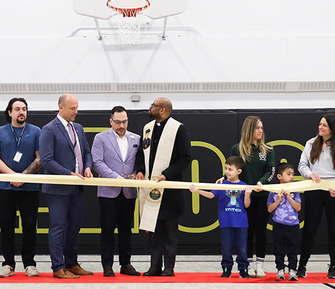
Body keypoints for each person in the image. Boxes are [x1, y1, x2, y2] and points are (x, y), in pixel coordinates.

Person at [134, 97, 192, 277]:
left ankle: (169, 267)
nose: (149, 108)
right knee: (153, 230)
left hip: (169, 190)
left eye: (153, 106)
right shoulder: (147, 128)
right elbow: (141, 154)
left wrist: (167, 173)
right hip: (151, 188)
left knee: (169, 232)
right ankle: (154, 266)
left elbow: (185, 158)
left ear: (162, 110)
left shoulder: (179, 129)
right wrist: (140, 170)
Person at [40, 94, 94, 279]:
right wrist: (68, 174)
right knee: (58, 227)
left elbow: (86, 151)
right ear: (61, 108)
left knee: (74, 227)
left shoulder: (78, 128)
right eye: (73, 108)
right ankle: (58, 267)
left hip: (76, 188)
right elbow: (47, 161)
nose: (76, 112)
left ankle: (72, 263)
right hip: (58, 188)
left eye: (77, 108)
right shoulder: (48, 129)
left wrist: (87, 167)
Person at [0, 98, 42, 278]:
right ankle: (8, 264)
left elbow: (40, 158)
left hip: (30, 188)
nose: (22, 112)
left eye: (24, 109)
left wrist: (24, 176)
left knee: (29, 227)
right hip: (6, 187)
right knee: (6, 226)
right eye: (17, 109)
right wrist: (12, 175)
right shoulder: (0, 132)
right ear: (10, 112)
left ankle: (29, 264)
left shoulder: (36, 131)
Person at [297, 113, 335, 279]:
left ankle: (333, 266)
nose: (321, 127)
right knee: (309, 228)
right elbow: (302, 165)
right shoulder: (310, 143)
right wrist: (310, 174)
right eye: (320, 124)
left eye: (324, 125)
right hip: (314, 190)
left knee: (334, 229)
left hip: (334, 192)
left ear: (332, 129)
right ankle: (302, 265)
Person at [91, 106, 142, 277]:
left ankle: (126, 264)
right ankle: (107, 265)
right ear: (111, 121)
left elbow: (139, 163)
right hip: (108, 191)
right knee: (107, 229)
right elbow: (97, 162)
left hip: (129, 191)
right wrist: (116, 178)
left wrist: (135, 175)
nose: (122, 125)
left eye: (125, 122)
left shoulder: (137, 138)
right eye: (118, 122)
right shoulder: (100, 138)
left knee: (126, 229)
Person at [190, 155, 254, 278]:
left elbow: (247, 205)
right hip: (226, 222)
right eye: (226, 169)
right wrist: (197, 191)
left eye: (230, 169)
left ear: (239, 171)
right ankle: (226, 268)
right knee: (226, 248)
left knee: (242, 248)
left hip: (241, 223)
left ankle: (243, 269)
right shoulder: (221, 184)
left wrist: (247, 194)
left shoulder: (244, 185)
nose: (227, 172)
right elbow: (211, 195)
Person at [227, 116, 275, 278]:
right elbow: (231, 169)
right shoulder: (237, 149)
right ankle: (245, 265)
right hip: (242, 197)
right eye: (257, 128)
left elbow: (271, 170)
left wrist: (261, 182)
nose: (260, 131)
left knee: (260, 230)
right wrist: (225, 178)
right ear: (249, 130)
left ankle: (260, 265)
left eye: (261, 128)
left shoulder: (268, 149)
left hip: (261, 196)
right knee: (245, 231)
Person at [267, 163, 301, 281]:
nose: (292, 177)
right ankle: (280, 270)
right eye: (288, 174)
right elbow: (269, 209)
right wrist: (279, 199)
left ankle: (292, 270)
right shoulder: (273, 191)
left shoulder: (295, 191)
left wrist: (290, 197)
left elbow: (298, 208)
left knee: (293, 249)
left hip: (293, 225)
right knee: (279, 249)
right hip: (279, 224)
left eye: (293, 174)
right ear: (279, 176)